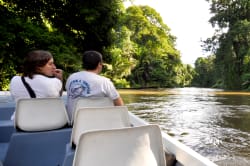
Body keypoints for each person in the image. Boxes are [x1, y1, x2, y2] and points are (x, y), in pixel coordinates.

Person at [65, 50, 124, 120]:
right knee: (112, 99)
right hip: (98, 122)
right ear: (99, 64)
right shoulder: (104, 82)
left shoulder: (71, 78)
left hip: (75, 122)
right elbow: (119, 104)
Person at [10, 50, 63, 119]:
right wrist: (60, 79)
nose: (54, 67)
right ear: (38, 67)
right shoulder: (54, 82)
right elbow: (59, 95)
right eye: (50, 64)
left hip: (22, 122)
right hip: (49, 122)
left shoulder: (15, 80)